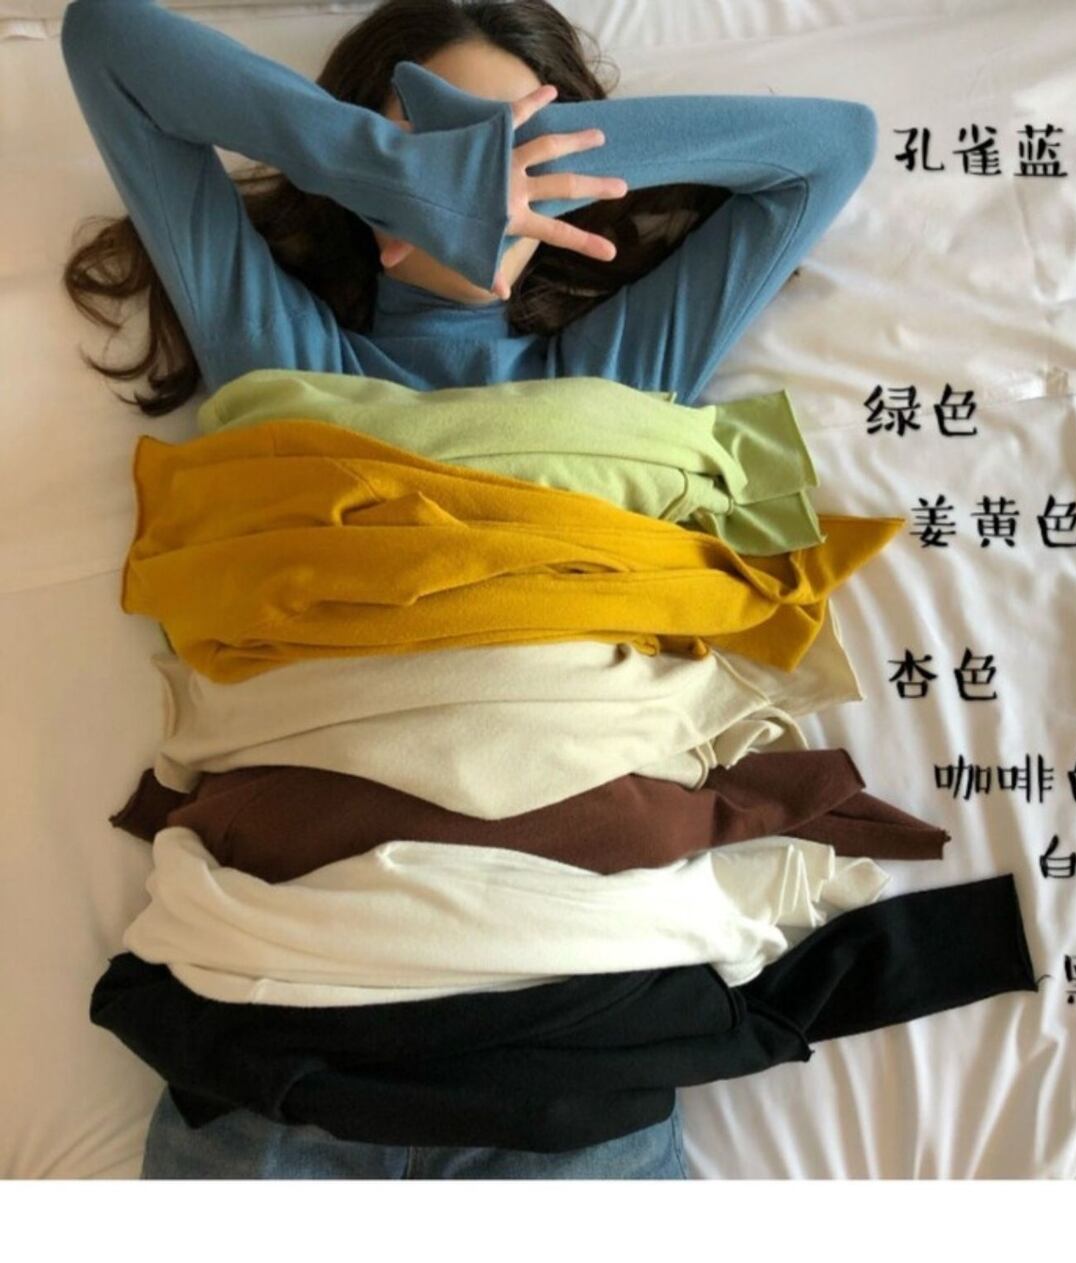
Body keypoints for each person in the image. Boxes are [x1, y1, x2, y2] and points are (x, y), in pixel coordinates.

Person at [60, 0, 879, 1179]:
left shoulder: (615, 373)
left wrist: (537, 165)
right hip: (275, 1056)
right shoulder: (283, 354)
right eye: (427, 141)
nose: (480, 180)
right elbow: (106, 39)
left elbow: (833, 146)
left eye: (512, 145)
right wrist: (390, 171)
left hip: (575, 1053)